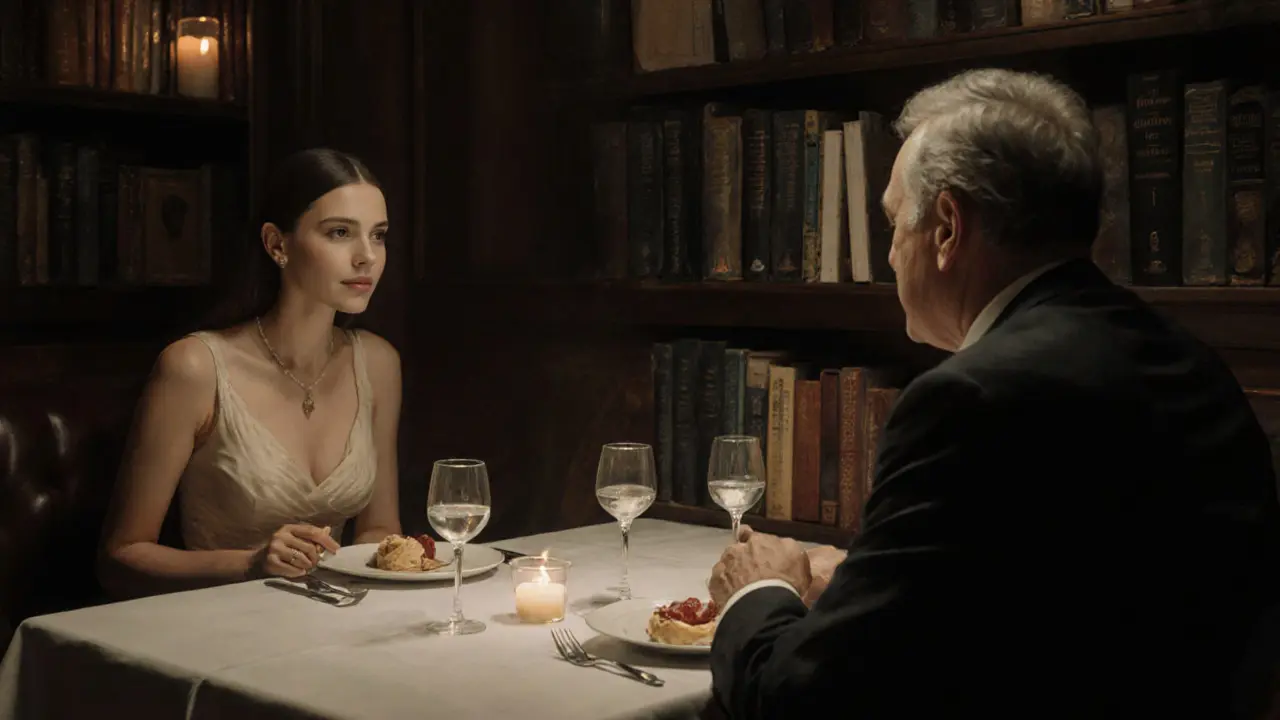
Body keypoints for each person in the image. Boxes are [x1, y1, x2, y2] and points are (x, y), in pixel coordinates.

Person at [707, 68, 1280, 718]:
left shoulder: (970, 399)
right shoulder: (1192, 364)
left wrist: (759, 591)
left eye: (895, 223)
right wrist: (875, 582)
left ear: (947, 227)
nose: (892, 254)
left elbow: (801, 702)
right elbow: (1065, 600)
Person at [98, 148, 405, 599]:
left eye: (378, 236)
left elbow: (378, 531)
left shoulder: (377, 362)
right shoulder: (195, 366)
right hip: (218, 626)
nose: (367, 258)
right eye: (340, 233)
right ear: (276, 244)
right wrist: (251, 563)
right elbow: (120, 558)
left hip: (334, 618)